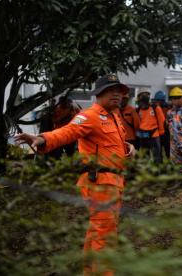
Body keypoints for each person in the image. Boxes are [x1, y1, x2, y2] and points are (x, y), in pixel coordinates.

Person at [14, 74, 136, 275]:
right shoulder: (89, 116)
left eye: (119, 91)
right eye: (111, 90)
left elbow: (111, 142)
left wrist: (128, 147)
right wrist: (42, 139)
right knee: (106, 234)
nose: (117, 95)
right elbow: (66, 132)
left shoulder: (114, 115)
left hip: (114, 180)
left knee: (98, 230)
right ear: (99, 93)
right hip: (100, 183)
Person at [136, 89, 165, 164]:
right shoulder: (138, 110)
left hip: (154, 134)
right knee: (144, 156)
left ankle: (157, 171)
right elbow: (137, 123)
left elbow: (161, 120)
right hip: (143, 135)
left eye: (146, 94)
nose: (144, 96)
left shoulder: (155, 108)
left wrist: (161, 133)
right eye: (142, 94)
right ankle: (146, 172)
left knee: (157, 155)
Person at [152, 91, 171, 158]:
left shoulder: (168, 107)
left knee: (168, 149)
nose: (158, 102)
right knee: (158, 151)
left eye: (159, 101)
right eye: (157, 100)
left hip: (166, 131)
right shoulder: (154, 108)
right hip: (157, 131)